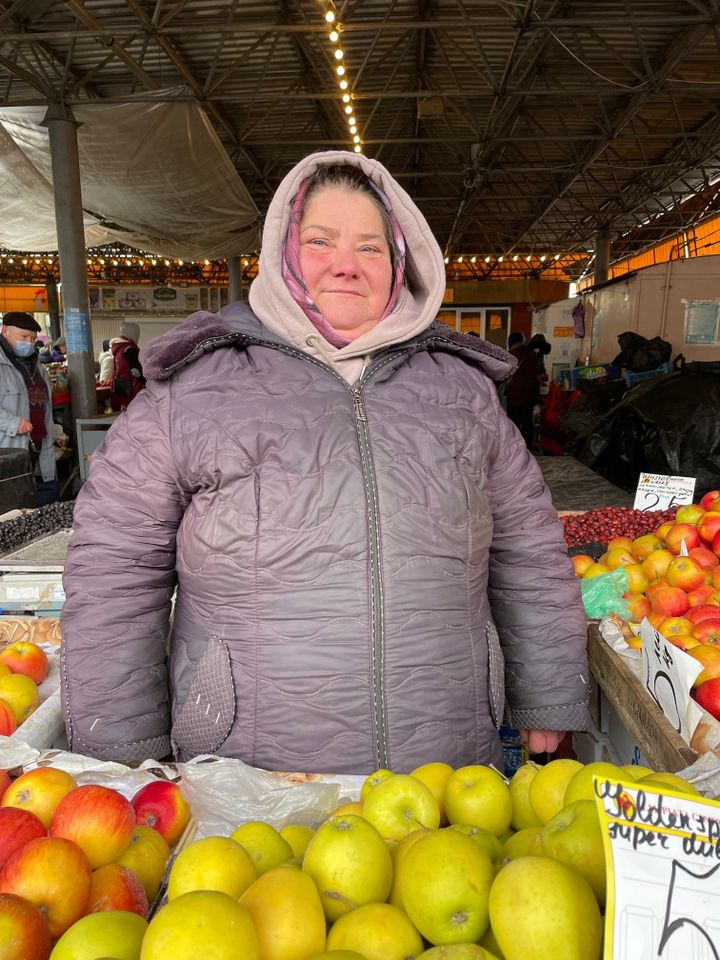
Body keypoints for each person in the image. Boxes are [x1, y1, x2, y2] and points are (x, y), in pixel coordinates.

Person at [60, 152, 589, 773]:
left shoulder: (462, 392)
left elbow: (527, 550)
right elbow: (115, 573)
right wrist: (118, 749)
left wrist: (548, 691)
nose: (346, 264)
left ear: (400, 264)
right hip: (247, 778)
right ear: (284, 252)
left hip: (446, 766)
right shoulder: (191, 393)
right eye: (320, 240)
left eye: (371, 248)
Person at [0, 313, 57, 505]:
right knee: (16, 509)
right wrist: (14, 423)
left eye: (33, 339)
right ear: (5, 331)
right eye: (23, 337)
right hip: (10, 449)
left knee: (45, 503)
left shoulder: (36, 364)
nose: (29, 343)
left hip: (41, 445)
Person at [505, 332, 551, 449]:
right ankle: (528, 450)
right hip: (528, 396)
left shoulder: (508, 356)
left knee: (513, 424)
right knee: (527, 425)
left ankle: (513, 449)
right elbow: (533, 376)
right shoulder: (531, 355)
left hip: (512, 396)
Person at [106, 321, 146, 411]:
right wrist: (148, 382)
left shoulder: (118, 348)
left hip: (118, 390)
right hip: (131, 393)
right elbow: (136, 372)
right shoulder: (130, 348)